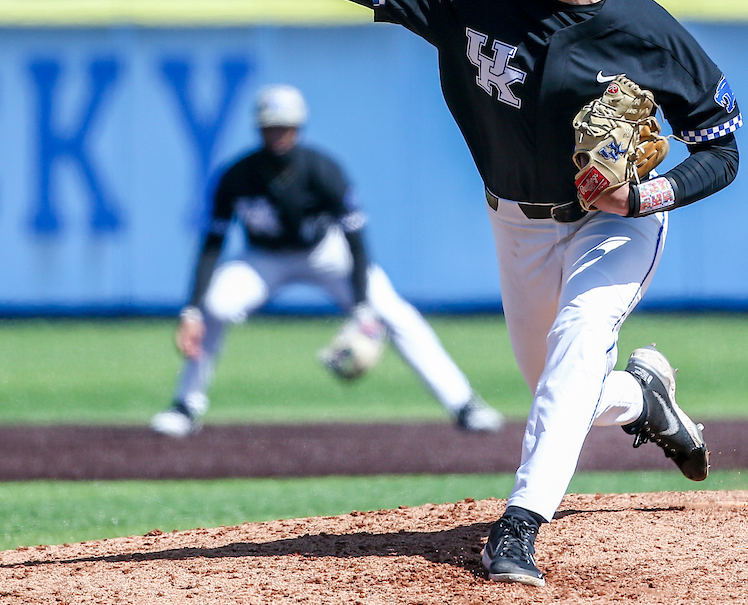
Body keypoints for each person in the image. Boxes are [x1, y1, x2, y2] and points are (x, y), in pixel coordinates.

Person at [304, 0, 741, 587]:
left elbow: (720, 146)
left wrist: (644, 197)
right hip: (518, 225)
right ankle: (646, 400)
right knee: (559, 384)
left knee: (578, 340)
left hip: (614, 222)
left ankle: (519, 527)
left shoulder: (646, 31)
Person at [150, 83, 504, 438]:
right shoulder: (237, 176)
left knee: (395, 313)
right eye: (270, 126)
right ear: (258, 128)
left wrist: (363, 306)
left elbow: (356, 240)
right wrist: (191, 310)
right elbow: (213, 243)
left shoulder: (321, 169)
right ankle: (185, 405)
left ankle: (463, 403)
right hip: (264, 258)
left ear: (298, 127)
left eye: (285, 126)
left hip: (325, 252)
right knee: (213, 308)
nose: (278, 134)